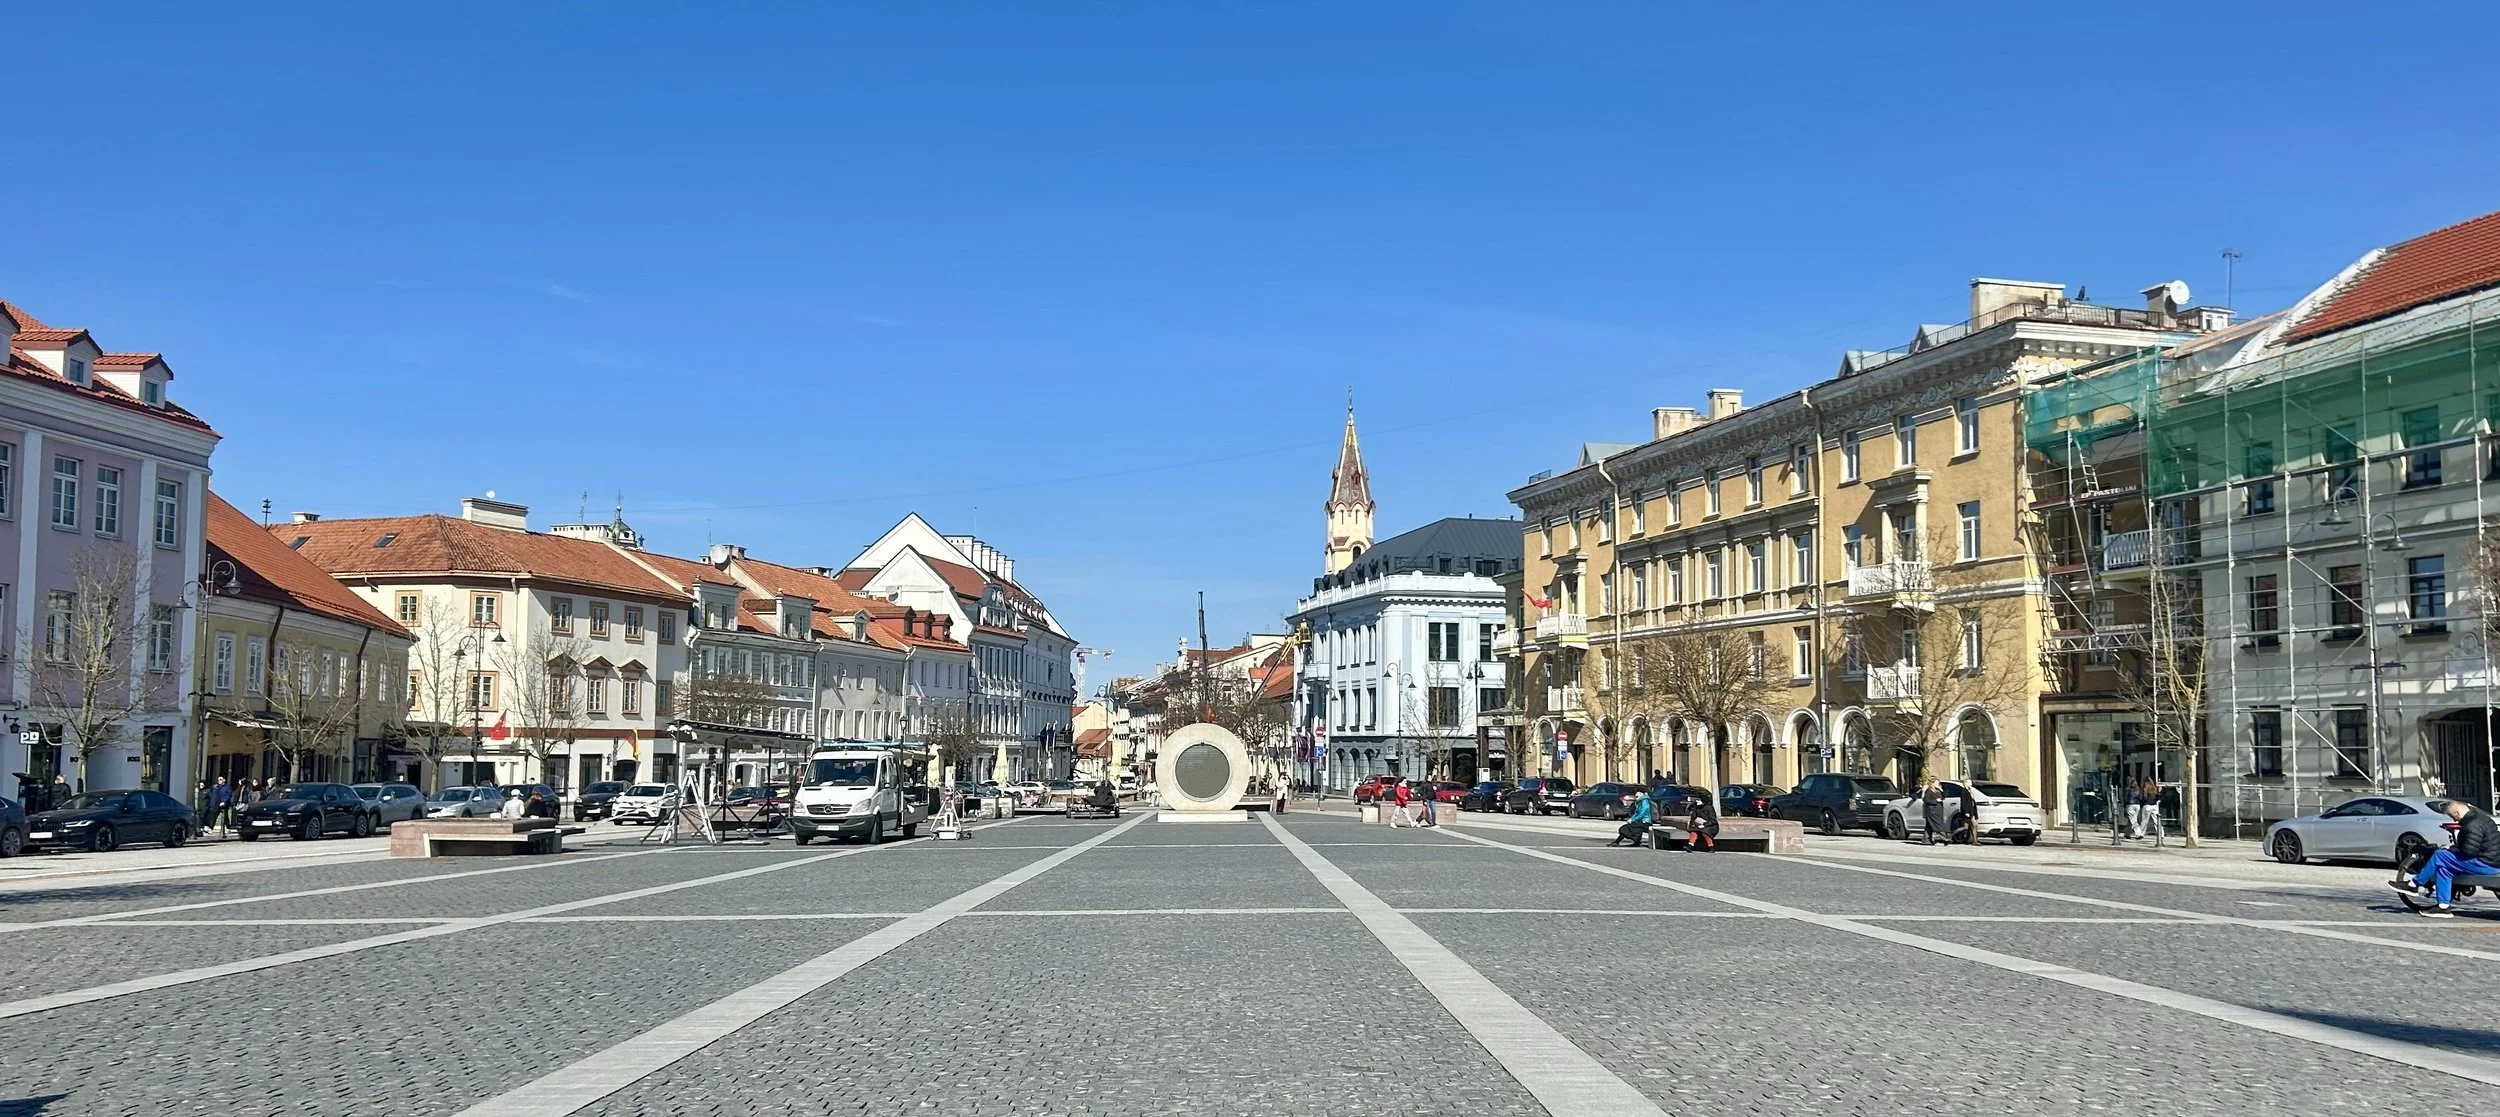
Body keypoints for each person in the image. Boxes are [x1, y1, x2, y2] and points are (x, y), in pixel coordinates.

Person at [2396, 799, 2500, 917]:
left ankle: (2415, 884)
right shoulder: (2481, 818)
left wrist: (2450, 849)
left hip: (2487, 864)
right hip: (2491, 861)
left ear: (2457, 812)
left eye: (2452, 816)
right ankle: (2443, 907)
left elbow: (2469, 851)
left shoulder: (2472, 824)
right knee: (2444, 868)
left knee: (2440, 855)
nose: (2454, 820)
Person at [1686, 786, 1720, 853]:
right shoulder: (1696, 807)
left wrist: (1704, 825)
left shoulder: (1709, 808)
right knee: (1694, 831)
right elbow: (1693, 818)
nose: (1697, 801)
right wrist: (1692, 825)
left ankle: (1711, 847)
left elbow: (1713, 821)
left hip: (1711, 826)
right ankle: (1690, 846)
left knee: (1705, 832)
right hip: (1700, 825)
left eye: (1698, 800)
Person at [1920, 779, 1947, 846]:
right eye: (1936, 783)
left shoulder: (1938, 791)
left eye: (1938, 783)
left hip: (1938, 810)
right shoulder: (1928, 791)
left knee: (1929, 825)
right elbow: (1927, 800)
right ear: (1932, 784)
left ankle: (1926, 840)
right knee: (1937, 824)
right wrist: (1935, 801)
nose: (1938, 784)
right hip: (1931, 810)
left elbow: (1944, 796)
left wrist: (1941, 790)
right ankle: (1944, 838)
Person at [1954, 780, 1979, 845]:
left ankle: (1953, 834)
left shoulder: (1970, 791)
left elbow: (1972, 802)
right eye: (1970, 783)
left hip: (1972, 810)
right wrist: (1966, 812)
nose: (1971, 784)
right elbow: (1964, 802)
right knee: (1974, 825)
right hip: (1968, 811)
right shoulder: (1964, 792)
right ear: (1965, 784)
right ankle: (1975, 841)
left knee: (1966, 827)